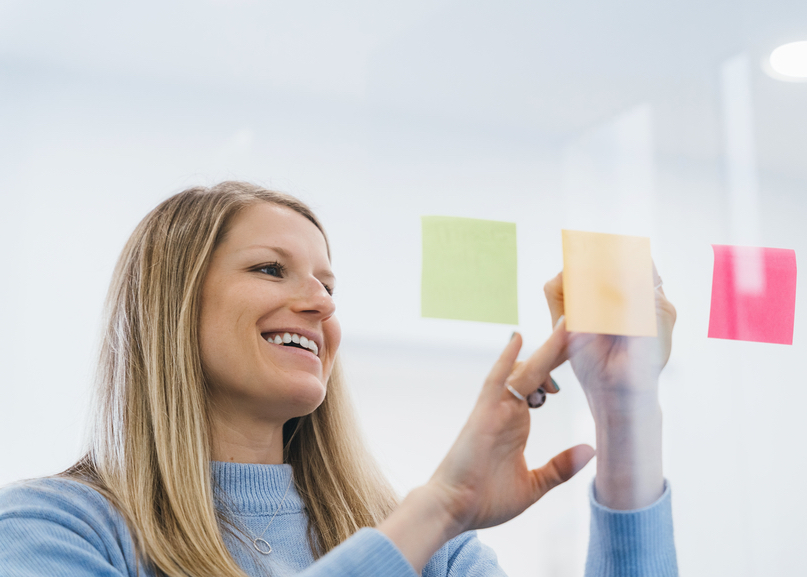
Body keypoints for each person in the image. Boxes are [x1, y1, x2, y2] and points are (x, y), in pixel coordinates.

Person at [0, 181, 678, 576]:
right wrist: (435, 506)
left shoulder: (436, 551)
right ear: (169, 304)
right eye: (271, 268)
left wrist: (625, 418)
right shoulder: (55, 527)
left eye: (327, 283)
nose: (321, 301)